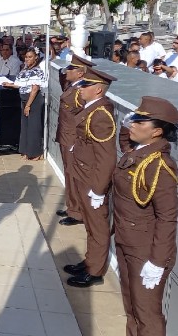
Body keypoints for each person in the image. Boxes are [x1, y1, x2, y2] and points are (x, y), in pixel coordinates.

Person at [114, 96, 178, 335]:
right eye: (135, 119)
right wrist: (128, 122)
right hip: (126, 239)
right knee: (131, 307)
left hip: (145, 251)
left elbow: (167, 217)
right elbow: (124, 142)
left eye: (141, 122)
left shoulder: (159, 165)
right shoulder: (137, 152)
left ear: (157, 132)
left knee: (147, 313)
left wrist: (157, 262)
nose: (134, 124)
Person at [64, 67, 118, 288]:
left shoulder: (100, 115)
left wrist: (98, 189)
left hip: (92, 180)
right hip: (83, 174)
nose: (81, 88)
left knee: (97, 227)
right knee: (90, 225)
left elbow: (106, 158)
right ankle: (89, 261)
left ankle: (94, 271)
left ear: (97, 89)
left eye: (85, 85)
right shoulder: (91, 109)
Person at [55, 55, 91, 226]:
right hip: (65, 136)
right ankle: (72, 206)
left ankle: (77, 212)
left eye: (71, 69)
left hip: (72, 139)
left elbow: (83, 117)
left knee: (74, 175)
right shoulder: (73, 86)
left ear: (80, 73)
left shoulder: (80, 91)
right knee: (69, 174)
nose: (67, 71)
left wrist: (77, 141)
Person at [2, 47, 46, 160]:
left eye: (30, 57)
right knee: (25, 126)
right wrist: (10, 85)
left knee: (34, 127)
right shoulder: (25, 70)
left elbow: (35, 89)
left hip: (33, 101)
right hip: (25, 99)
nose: (27, 59)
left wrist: (28, 105)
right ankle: (26, 151)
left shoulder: (37, 70)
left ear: (36, 57)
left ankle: (36, 152)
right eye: (26, 57)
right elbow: (21, 84)